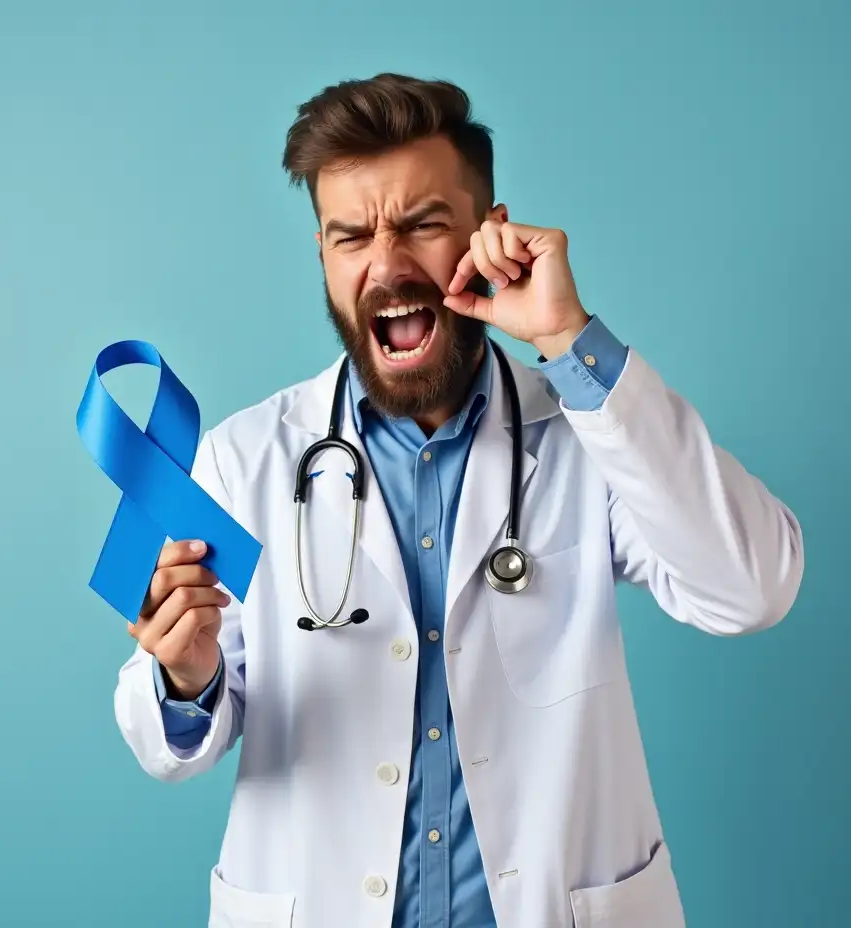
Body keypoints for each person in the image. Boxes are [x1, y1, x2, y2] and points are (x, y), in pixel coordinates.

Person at [114, 73, 804, 928]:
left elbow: (754, 587)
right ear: (323, 258)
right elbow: (165, 744)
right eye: (351, 236)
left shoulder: (589, 433)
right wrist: (185, 674)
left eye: (422, 224)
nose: (386, 264)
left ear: (490, 234)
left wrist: (568, 340)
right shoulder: (242, 457)